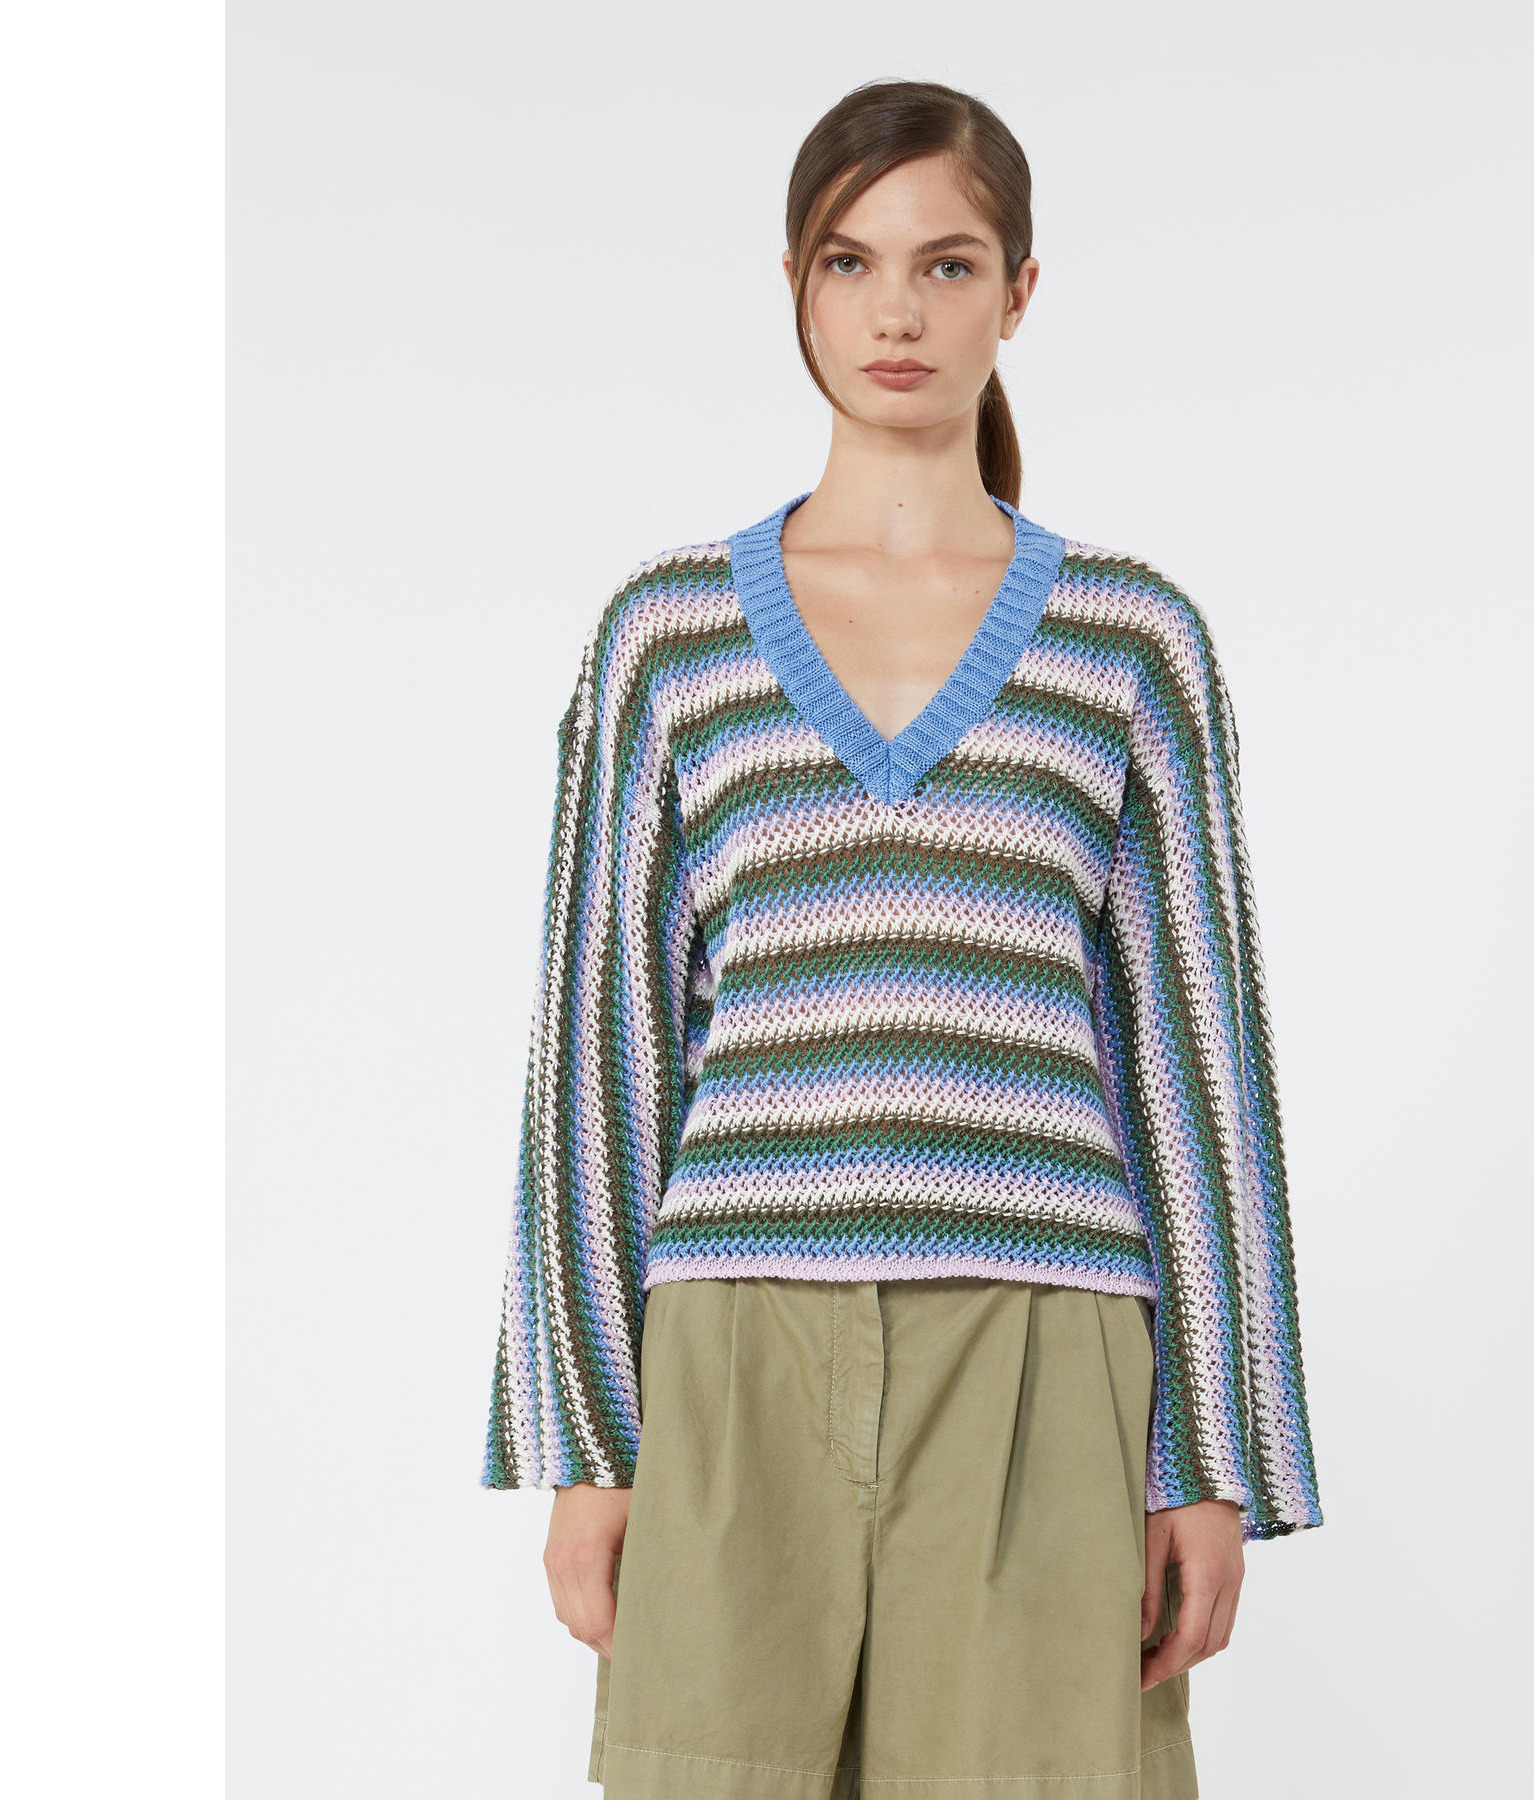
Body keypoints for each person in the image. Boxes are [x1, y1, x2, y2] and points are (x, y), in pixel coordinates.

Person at [482, 76, 1323, 1800]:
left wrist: (1214, 1458)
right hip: (736, 1358)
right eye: (852, 262)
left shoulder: (1129, 642)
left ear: (1020, 293)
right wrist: (585, 1442)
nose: (898, 312)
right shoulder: (668, 637)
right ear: (796, 287)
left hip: (1041, 1353)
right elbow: (601, 1050)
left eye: (949, 265)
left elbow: (1198, 1068)